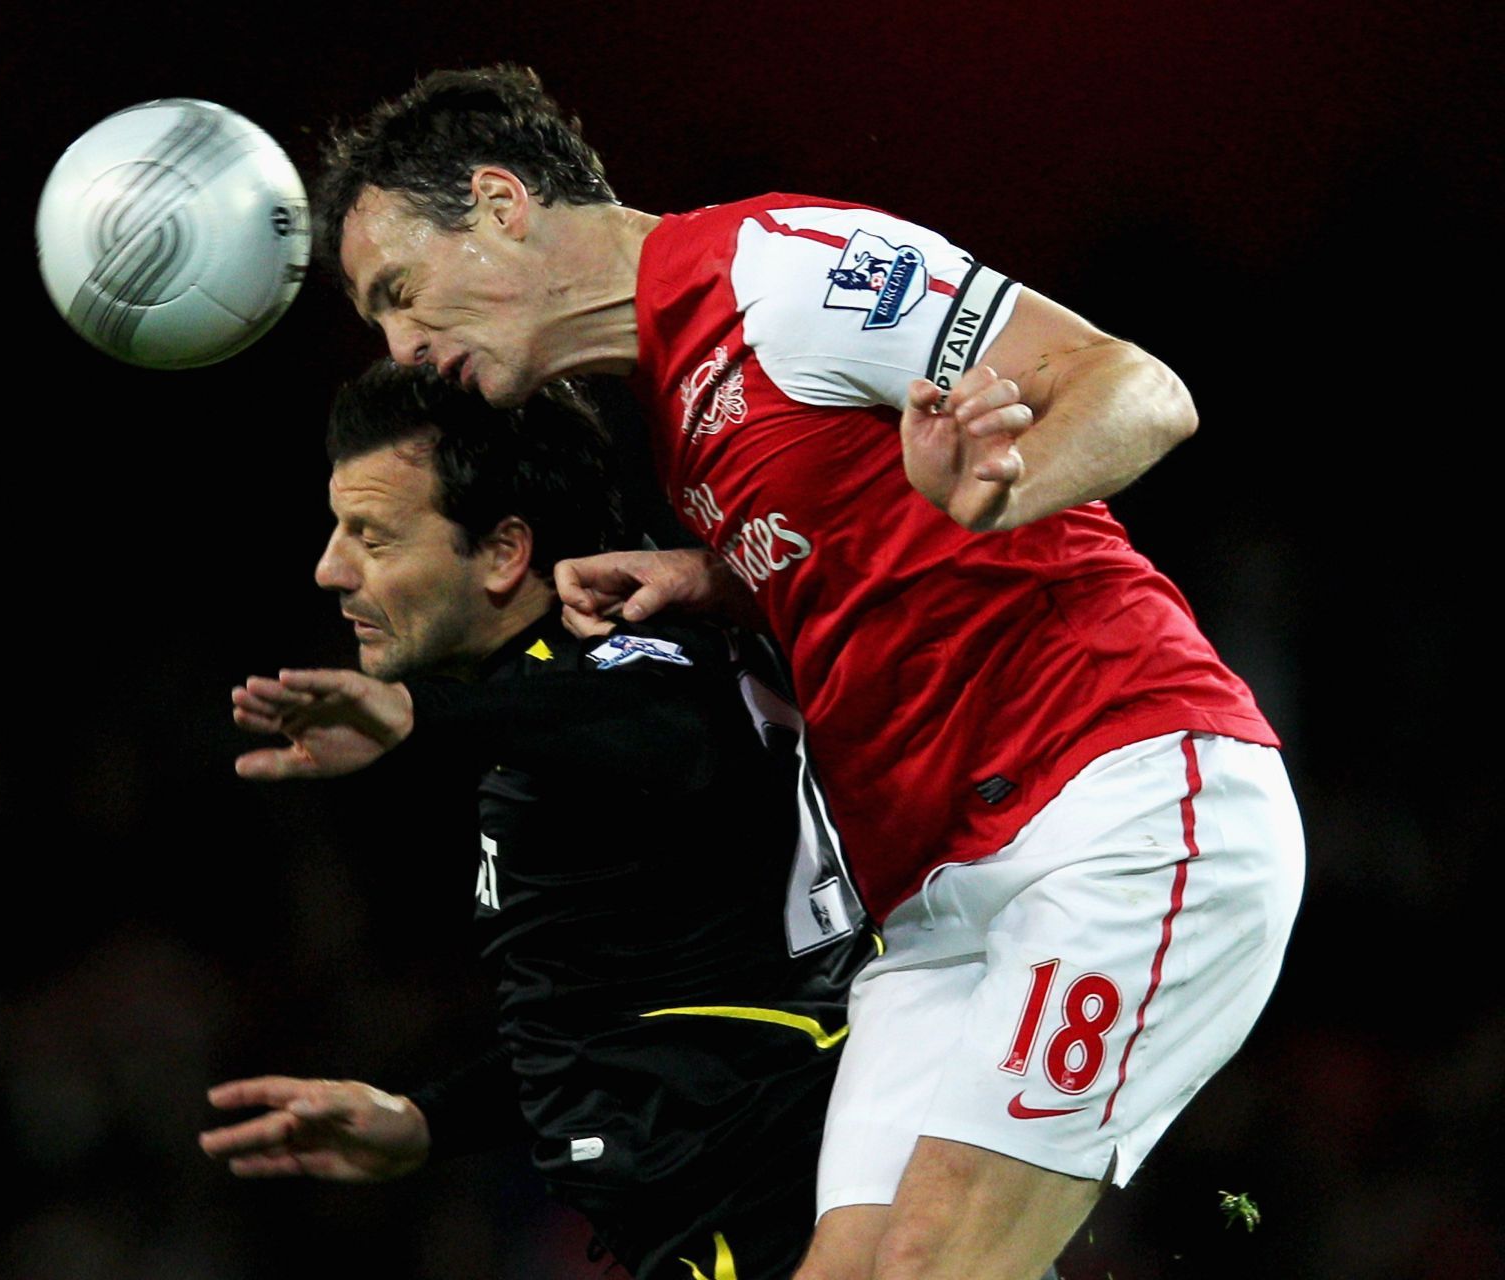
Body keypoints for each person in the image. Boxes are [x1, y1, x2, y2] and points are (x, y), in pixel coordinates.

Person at [309, 65, 1306, 1280]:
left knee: (936, 1263)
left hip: (1117, 795)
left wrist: (1001, 487)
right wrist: (713, 574)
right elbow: (859, 545)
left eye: (400, 295)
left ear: (503, 203)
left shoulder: (782, 273)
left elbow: (1138, 390)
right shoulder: (674, 411)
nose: (404, 352)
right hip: (935, 904)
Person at [202, 361, 875, 1279]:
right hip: (743, 1204)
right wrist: (430, 1119)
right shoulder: (570, 699)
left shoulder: (626, 665)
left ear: (502, 552)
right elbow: (607, 1021)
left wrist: (418, 718)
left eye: (372, 536)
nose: (330, 568)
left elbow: (667, 730)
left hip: (770, 1215)